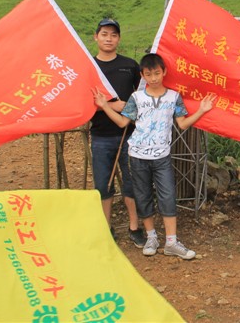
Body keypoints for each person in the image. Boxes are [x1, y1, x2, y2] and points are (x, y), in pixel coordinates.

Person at [93, 53, 216, 260]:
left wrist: (202, 111)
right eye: (148, 74)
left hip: (162, 157)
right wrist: (105, 106)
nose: (153, 78)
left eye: (157, 73)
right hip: (137, 156)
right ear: (142, 75)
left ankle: (171, 242)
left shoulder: (173, 97)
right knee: (143, 196)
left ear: (164, 72)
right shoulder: (136, 98)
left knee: (167, 195)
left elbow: (183, 123)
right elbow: (123, 123)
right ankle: (151, 237)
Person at [90, 18, 146, 248]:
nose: (108, 38)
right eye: (104, 34)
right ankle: (106, 227)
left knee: (131, 182)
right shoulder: (90, 67)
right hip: (101, 136)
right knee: (103, 184)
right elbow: (85, 99)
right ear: (96, 37)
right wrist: (112, 105)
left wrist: (128, 108)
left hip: (129, 136)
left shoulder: (130, 65)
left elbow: (142, 95)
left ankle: (134, 226)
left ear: (119, 39)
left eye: (113, 35)